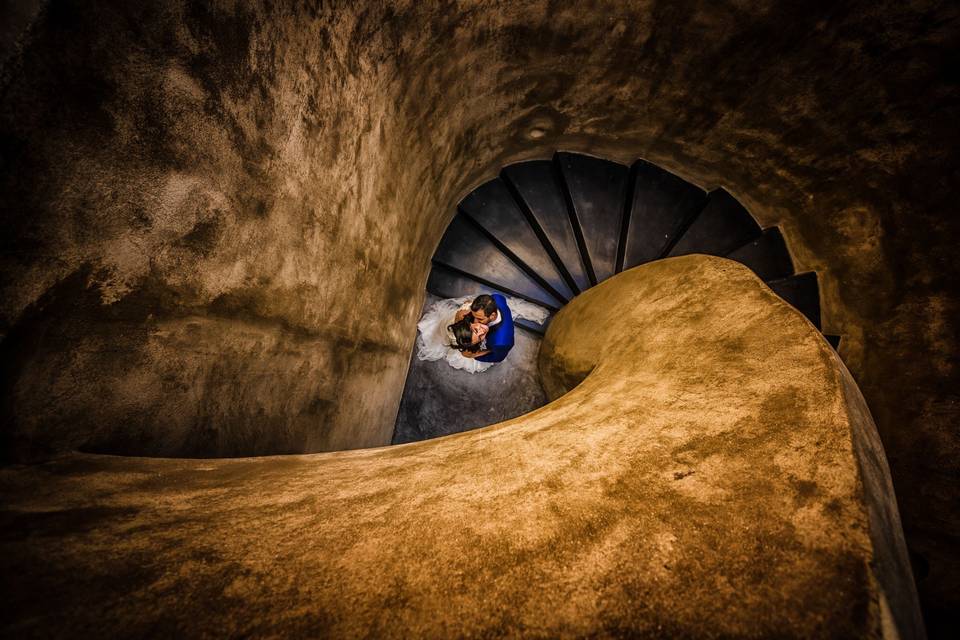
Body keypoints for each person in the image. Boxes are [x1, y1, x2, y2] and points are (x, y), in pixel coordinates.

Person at [416, 293, 548, 373]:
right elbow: (496, 299)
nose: (478, 325)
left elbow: (498, 357)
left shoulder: (501, 341)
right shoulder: (495, 299)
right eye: (475, 319)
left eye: (479, 319)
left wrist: (477, 354)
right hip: (462, 331)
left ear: (492, 315)